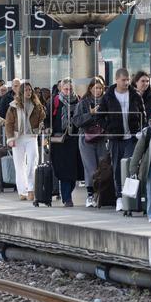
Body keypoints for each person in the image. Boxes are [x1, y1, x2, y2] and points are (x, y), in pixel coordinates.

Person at [97, 68, 145, 211]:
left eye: (128, 80)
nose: (126, 82)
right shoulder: (108, 96)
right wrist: (109, 128)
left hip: (131, 137)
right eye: (123, 80)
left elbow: (143, 114)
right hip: (115, 138)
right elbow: (99, 116)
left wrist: (141, 129)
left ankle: (129, 197)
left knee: (130, 166)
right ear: (117, 80)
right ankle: (119, 197)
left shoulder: (135, 95)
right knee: (117, 167)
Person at [5, 81, 45, 201]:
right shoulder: (13, 106)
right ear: (22, 92)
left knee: (32, 162)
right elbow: (9, 123)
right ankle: (22, 191)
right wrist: (10, 138)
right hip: (18, 138)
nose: (29, 92)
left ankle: (31, 189)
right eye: (26, 90)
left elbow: (42, 118)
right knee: (19, 165)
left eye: (30, 90)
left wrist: (40, 127)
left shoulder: (37, 105)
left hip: (31, 136)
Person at [72, 77, 108, 207]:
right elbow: (76, 120)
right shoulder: (83, 102)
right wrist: (91, 114)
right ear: (90, 88)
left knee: (103, 167)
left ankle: (102, 195)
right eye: (95, 88)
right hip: (86, 137)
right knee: (90, 167)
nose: (98, 91)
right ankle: (90, 195)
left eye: (100, 88)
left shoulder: (106, 101)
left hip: (102, 137)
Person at [49, 79, 81, 207]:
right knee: (63, 171)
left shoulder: (78, 101)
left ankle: (67, 194)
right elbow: (47, 118)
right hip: (59, 141)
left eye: (70, 89)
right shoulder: (55, 102)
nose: (68, 92)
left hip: (74, 139)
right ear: (61, 89)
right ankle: (67, 198)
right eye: (65, 89)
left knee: (73, 171)